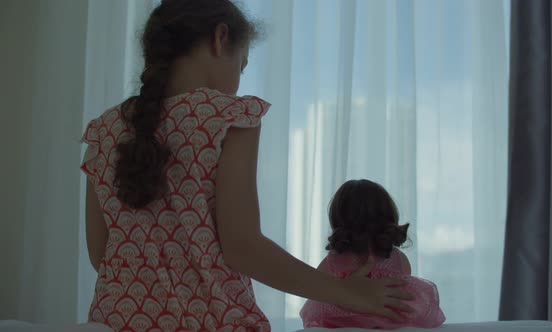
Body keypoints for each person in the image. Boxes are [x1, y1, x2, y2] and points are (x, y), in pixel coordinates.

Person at [81, 1, 414, 331]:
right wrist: (346, 293)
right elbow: (243, 248)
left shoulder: (103, 131)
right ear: (220, 37)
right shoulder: (228, 117)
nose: (239, 80)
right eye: (242, 66)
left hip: (114, 322)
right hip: (212, 322)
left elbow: (101, 255)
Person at [300, 179, 446, 329]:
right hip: (388, 323)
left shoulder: (334, 260)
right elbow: (404, 292)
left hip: (340, 325)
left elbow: (317, 292)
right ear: (389, 214)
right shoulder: (398, 258)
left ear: (338, 218)